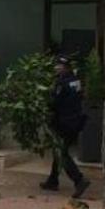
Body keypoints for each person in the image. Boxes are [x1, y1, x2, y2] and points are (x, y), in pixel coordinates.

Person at [40, 56, 91, 199]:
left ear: (66, 67)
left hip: (64, 122)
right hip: (75, 122)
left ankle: (79, 180)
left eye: (59, 66)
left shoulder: (61, 83)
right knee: (60, 150)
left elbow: (54, 103)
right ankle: (53, 180)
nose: (56, 68)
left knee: (61, 153)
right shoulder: (76, 80)